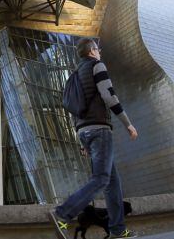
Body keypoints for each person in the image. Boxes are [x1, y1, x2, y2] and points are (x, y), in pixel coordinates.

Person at [49, 38, 139, 239]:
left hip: (84, 131)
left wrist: (82, 140)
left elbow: (73, 109)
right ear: (91, 51)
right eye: (98, 49)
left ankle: (117, 229)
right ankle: (63, 213)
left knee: (112, 183)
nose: (99, 52)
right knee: (101, 179)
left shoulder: (74, 76)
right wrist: (128, 123)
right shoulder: (97, 66)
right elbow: (109, 95)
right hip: (100, 130)